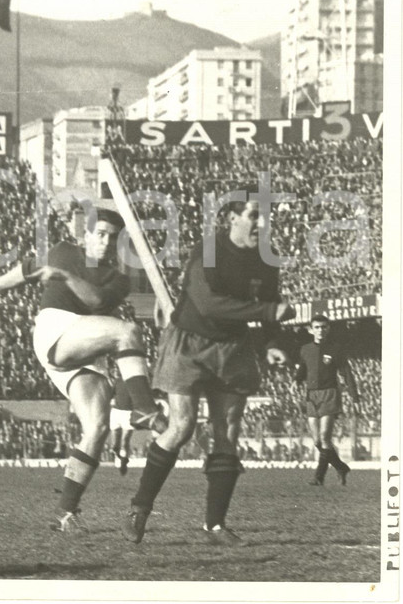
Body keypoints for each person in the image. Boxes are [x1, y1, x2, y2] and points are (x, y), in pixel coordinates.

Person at [0, 205, 166, 532]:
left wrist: (64, 277)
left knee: (97, 427)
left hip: (86, 344)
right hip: (55, 328)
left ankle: (66, 512)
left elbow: (94, 302)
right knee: (128, 331)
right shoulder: (63, 250)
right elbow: (27, 269)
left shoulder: (118, 279)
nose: (105, 242)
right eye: (100, 234)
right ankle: (144, 410)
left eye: (112, 238)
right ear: (86, 234)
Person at [123, 194, 295, 544]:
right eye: (253, 215)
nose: (261, 225)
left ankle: (215, 525)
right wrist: (266, 314)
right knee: (181, 426)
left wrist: (273, 343)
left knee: (228, 432)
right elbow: (207, 303)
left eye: (266, 218)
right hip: (190, 341)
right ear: (232, 217)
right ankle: (139, 508)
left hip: (233, 348)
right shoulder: (209, 250)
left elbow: (272, 305)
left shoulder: (268, 259)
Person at [292, 314, 360, 486]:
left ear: (328, 328)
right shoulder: (305, 349)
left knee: (324, 437)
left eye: (323, 327)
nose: (320, 330)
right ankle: (341, 467)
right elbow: (302, 369)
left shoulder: (336, 349)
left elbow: (346, 373)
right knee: (316, 441)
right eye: (317, 327)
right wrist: (295, 381)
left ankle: (319, 477)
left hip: (330, 394)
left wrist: (355, 396)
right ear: (310, 329)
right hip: (311, 395)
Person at [110, 378, 134, 475]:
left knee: (125, 441)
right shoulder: (118, 381)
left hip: (128, 413)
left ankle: (123, 462)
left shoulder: (134, 382)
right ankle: (120, 456)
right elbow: (111, 395)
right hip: (116, 412)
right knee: (114, 446)